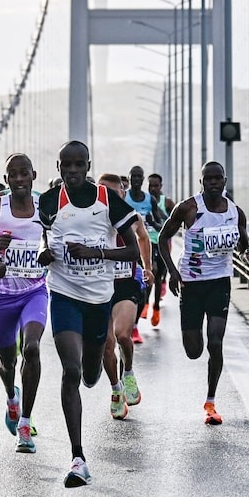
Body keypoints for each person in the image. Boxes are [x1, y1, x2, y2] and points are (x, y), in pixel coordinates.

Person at [38, 141, 140, 488]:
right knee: (71, 370)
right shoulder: (49, 201)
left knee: (92, 375)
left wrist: (96, 252)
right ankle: (78, 457)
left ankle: (103, 375)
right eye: (66, 165)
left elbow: (133, 251)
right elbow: (43, 236)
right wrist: (44, 252)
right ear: (58, 167)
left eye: (78, 165)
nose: (72, 171)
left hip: (98, 299)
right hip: (63, 294)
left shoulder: (107, 200)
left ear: (88, 166)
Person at [157, 160, 249, 426]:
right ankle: (196, 347)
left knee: (215, 342)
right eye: (208, 179)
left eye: (217, 178)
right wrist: (173, 272)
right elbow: (162, 238)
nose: (213, 182)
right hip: (191, 284)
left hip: (219, 283)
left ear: (224, 181)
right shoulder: (188, 208)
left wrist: (248, 254)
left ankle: (210, 402)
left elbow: (243, 246)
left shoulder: (235, 212)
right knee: (193, 350)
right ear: (201, 182)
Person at [0, 153, 48, 453]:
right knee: (7, 362)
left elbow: (52, 238)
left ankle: (25, 423)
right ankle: (12, 398)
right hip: (1, 295)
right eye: (14, 174)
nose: (20, 179)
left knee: (32, 348)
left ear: (33, 175)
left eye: (25, 173)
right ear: (6, 178)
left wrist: (48, 251)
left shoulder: (45, 206)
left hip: (34, 292)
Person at [97, 172, 151, 403]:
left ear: (122, 192)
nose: (108, 196)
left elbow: (143, 238)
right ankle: (116, 390)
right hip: (99, 285)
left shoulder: (132, 216)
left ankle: (128, 372)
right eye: (103, 191)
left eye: (113, 192)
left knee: (122, 334)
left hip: (126, 282)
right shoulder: (90, 217)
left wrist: (147, 267)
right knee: (107, 345)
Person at [142, 173, 176, 327]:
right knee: (151, 272)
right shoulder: (144, 201)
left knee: (158, 277)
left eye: (156, 185)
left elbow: (175, 222)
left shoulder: (166, 202)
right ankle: (145, 304)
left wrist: (159, 218)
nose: (153, 188)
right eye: (150, 186)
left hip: (162, 243)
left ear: (161, 186)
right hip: (147, 243)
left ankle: (155, 307)